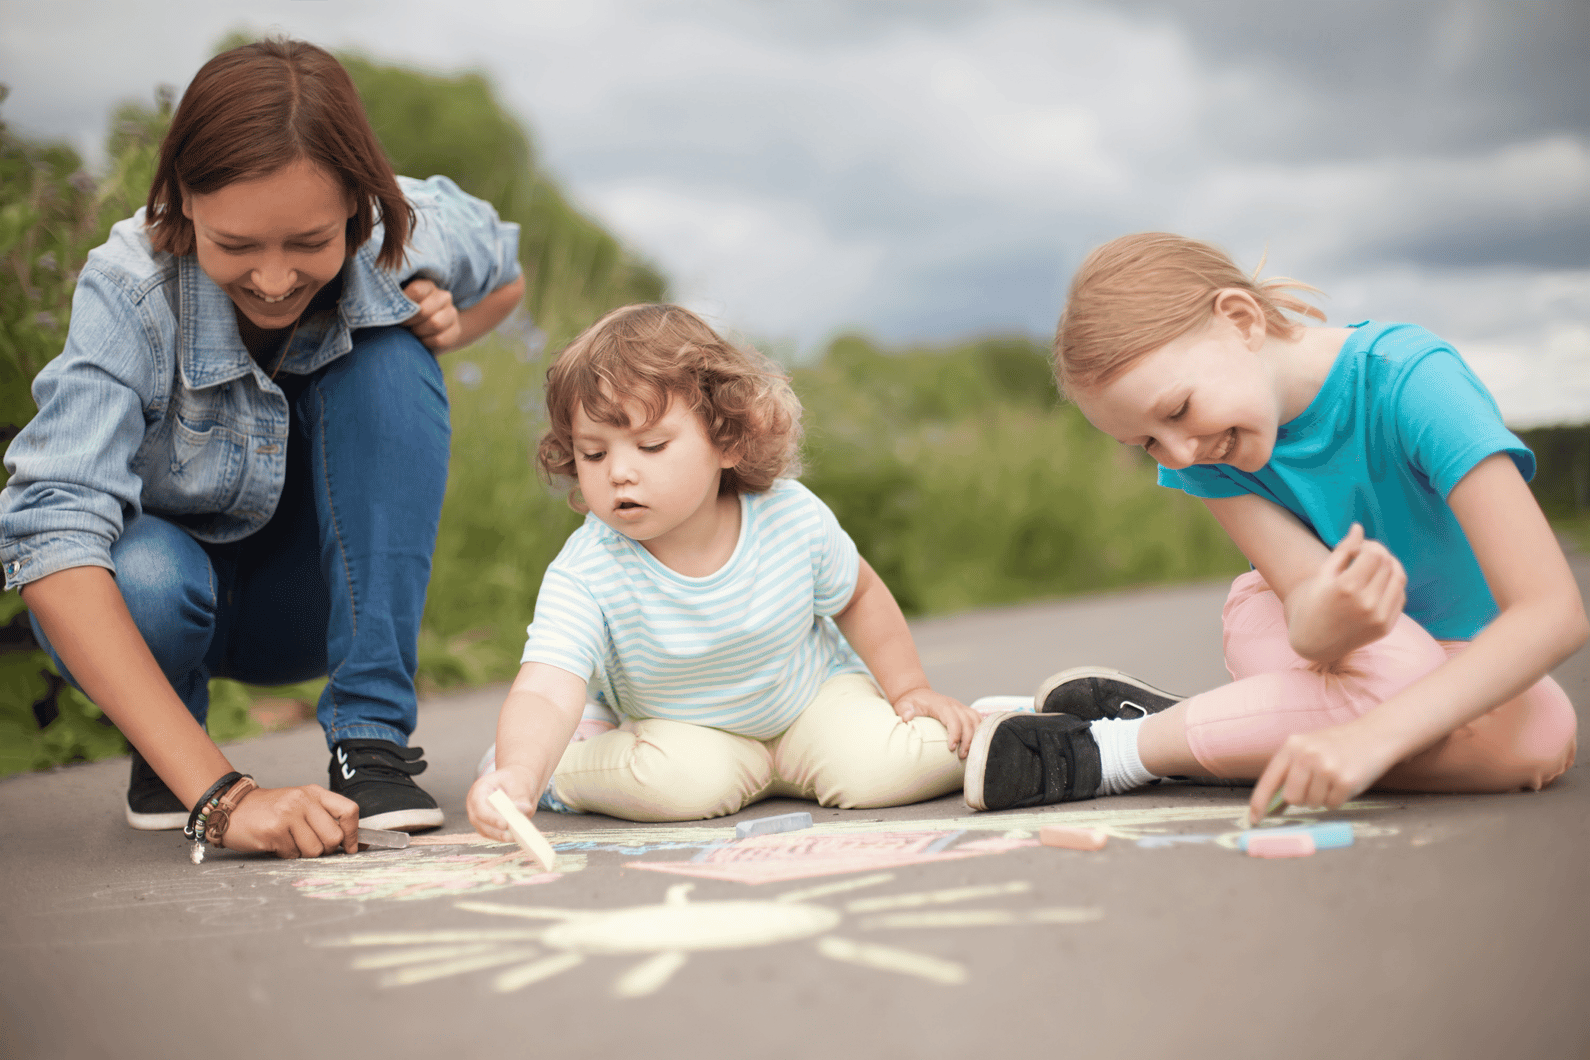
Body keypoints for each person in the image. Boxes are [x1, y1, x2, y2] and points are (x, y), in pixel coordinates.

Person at [0, 39, 525, 858]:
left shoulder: (399, 229)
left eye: (309, 243)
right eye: (237, 246)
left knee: (393, 354)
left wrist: (454, 322)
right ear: (181, 201)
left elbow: (507, 272)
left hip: (309, 597)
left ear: (357, 205)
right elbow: (49, 537)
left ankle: (372, 741)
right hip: (166, 604)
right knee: (139, 572)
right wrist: (222, 798)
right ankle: (169, 753)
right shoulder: (128, 286)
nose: (275, 279)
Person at [963, 232, 1583, 824]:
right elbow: (1309, 626)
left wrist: (1371, 738)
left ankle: (1198, 736)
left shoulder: (1413, 383)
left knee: (1539, 740)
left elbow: (1551, 612)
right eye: (1148, 442)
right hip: (1289, 630)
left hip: (1445, 654)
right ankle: (1108, 755)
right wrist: (1332, 620)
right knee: (1402, 671)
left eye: (1177, 410)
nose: (1179, 453)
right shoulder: (1213, 451)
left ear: (1240, 320)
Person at [467, 303, 979, 833]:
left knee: (901, 763)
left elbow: (859, 595)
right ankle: (544, 773)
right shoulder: (589, 569)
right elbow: (548, 685)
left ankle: (1013, 729)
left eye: (651, 445)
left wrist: (909, 688)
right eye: (593, 454)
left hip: (810, 702)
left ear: (727, 440)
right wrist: (521, 769)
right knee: (676, 786)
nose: (619, 471)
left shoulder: (791, 517)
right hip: (688, 733)